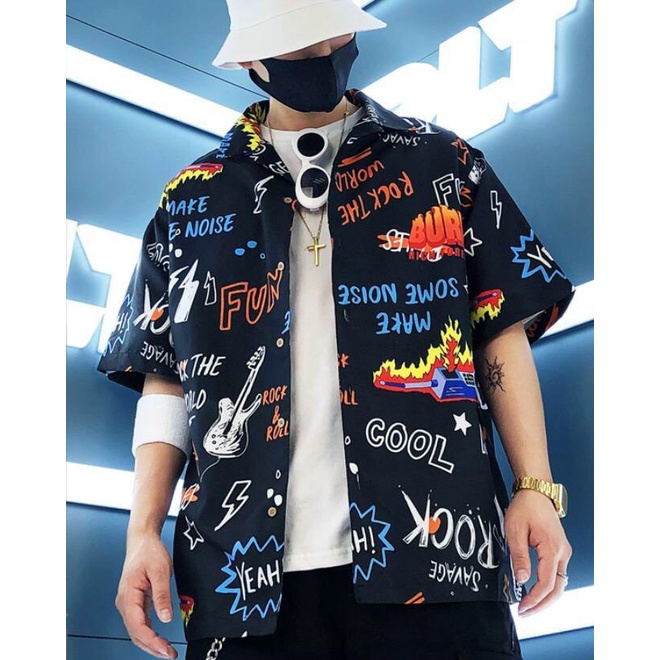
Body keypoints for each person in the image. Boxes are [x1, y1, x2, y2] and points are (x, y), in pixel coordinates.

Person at [96, 1, 576, 658]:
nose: (324, 57)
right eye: (300, 49)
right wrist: (142, 532)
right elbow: (167, 381)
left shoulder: (443, 164)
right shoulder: (189, 200)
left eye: (335, 36)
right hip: (241, 577)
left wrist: (535, 488)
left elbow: (499, 332)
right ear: (248, 59)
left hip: (437, 555)